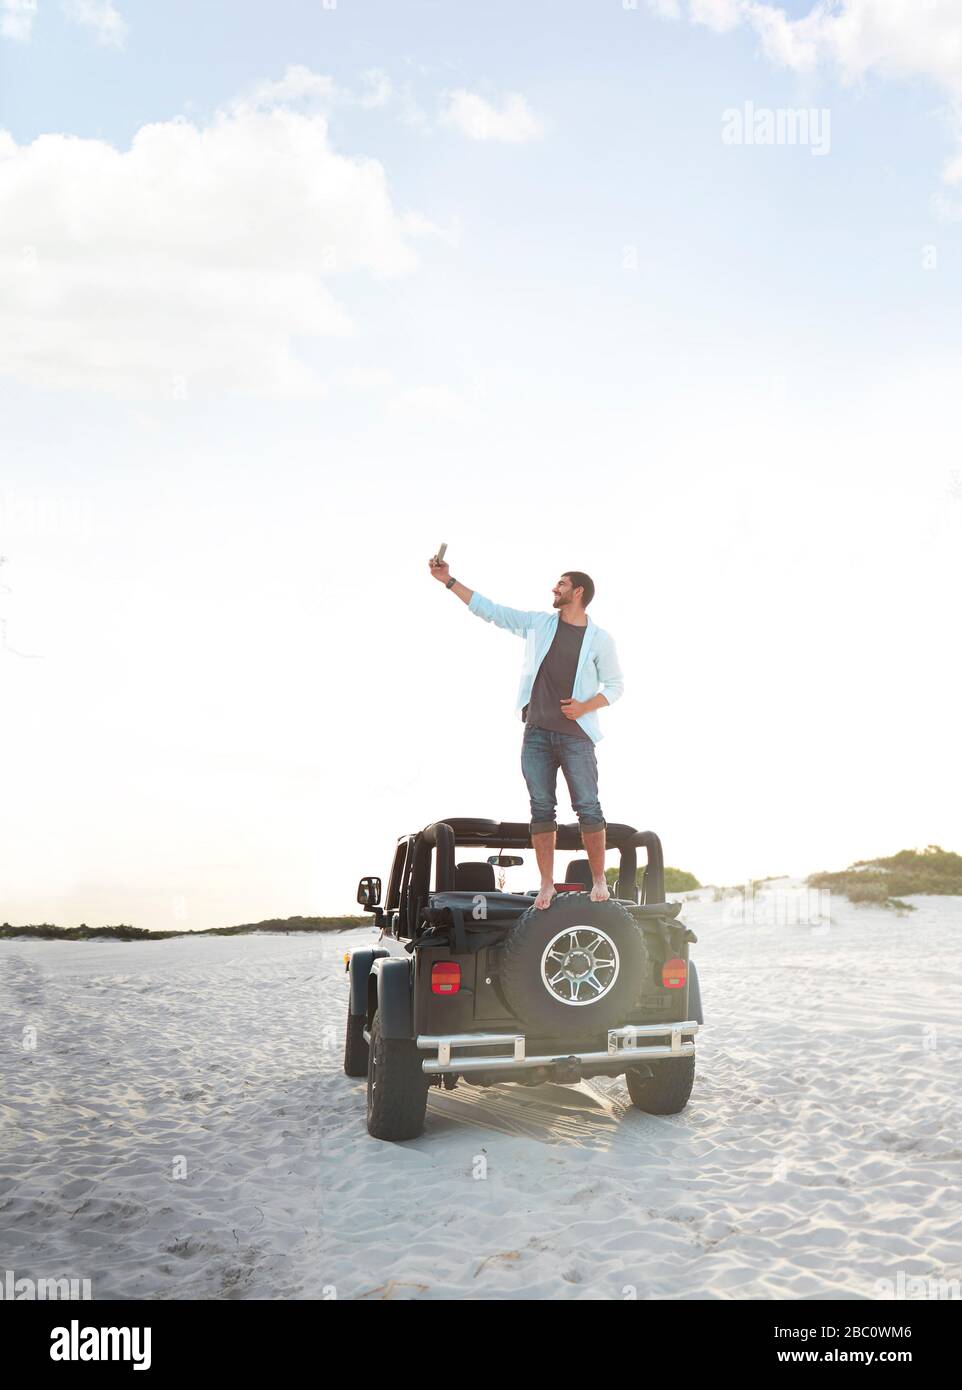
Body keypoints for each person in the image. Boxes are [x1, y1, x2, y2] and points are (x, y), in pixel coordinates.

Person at [428, 556, 624, 910]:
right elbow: (492, 611)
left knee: (588, 808)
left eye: (561, 584)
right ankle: (546, 884)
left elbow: (615, 686)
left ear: (578, 592)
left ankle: (599, 879)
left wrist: (584, 706)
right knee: (541, 809)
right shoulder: (539, 624)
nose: (555, 588)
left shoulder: (600, 640)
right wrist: (448, 580)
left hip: (577, 735)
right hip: (535, 734)